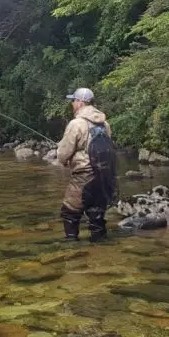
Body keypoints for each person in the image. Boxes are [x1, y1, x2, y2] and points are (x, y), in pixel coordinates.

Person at [56, 88, 117, 242]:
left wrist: (64, 161)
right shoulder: (105, 124)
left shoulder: (76, 124)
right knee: (96, 212)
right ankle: (100, 244)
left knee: (69, 211)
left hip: (84, 175)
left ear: (80, 103)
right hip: (104, 175)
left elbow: (63, 153)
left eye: (73, 101)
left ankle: (71, 245)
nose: (72, 104)